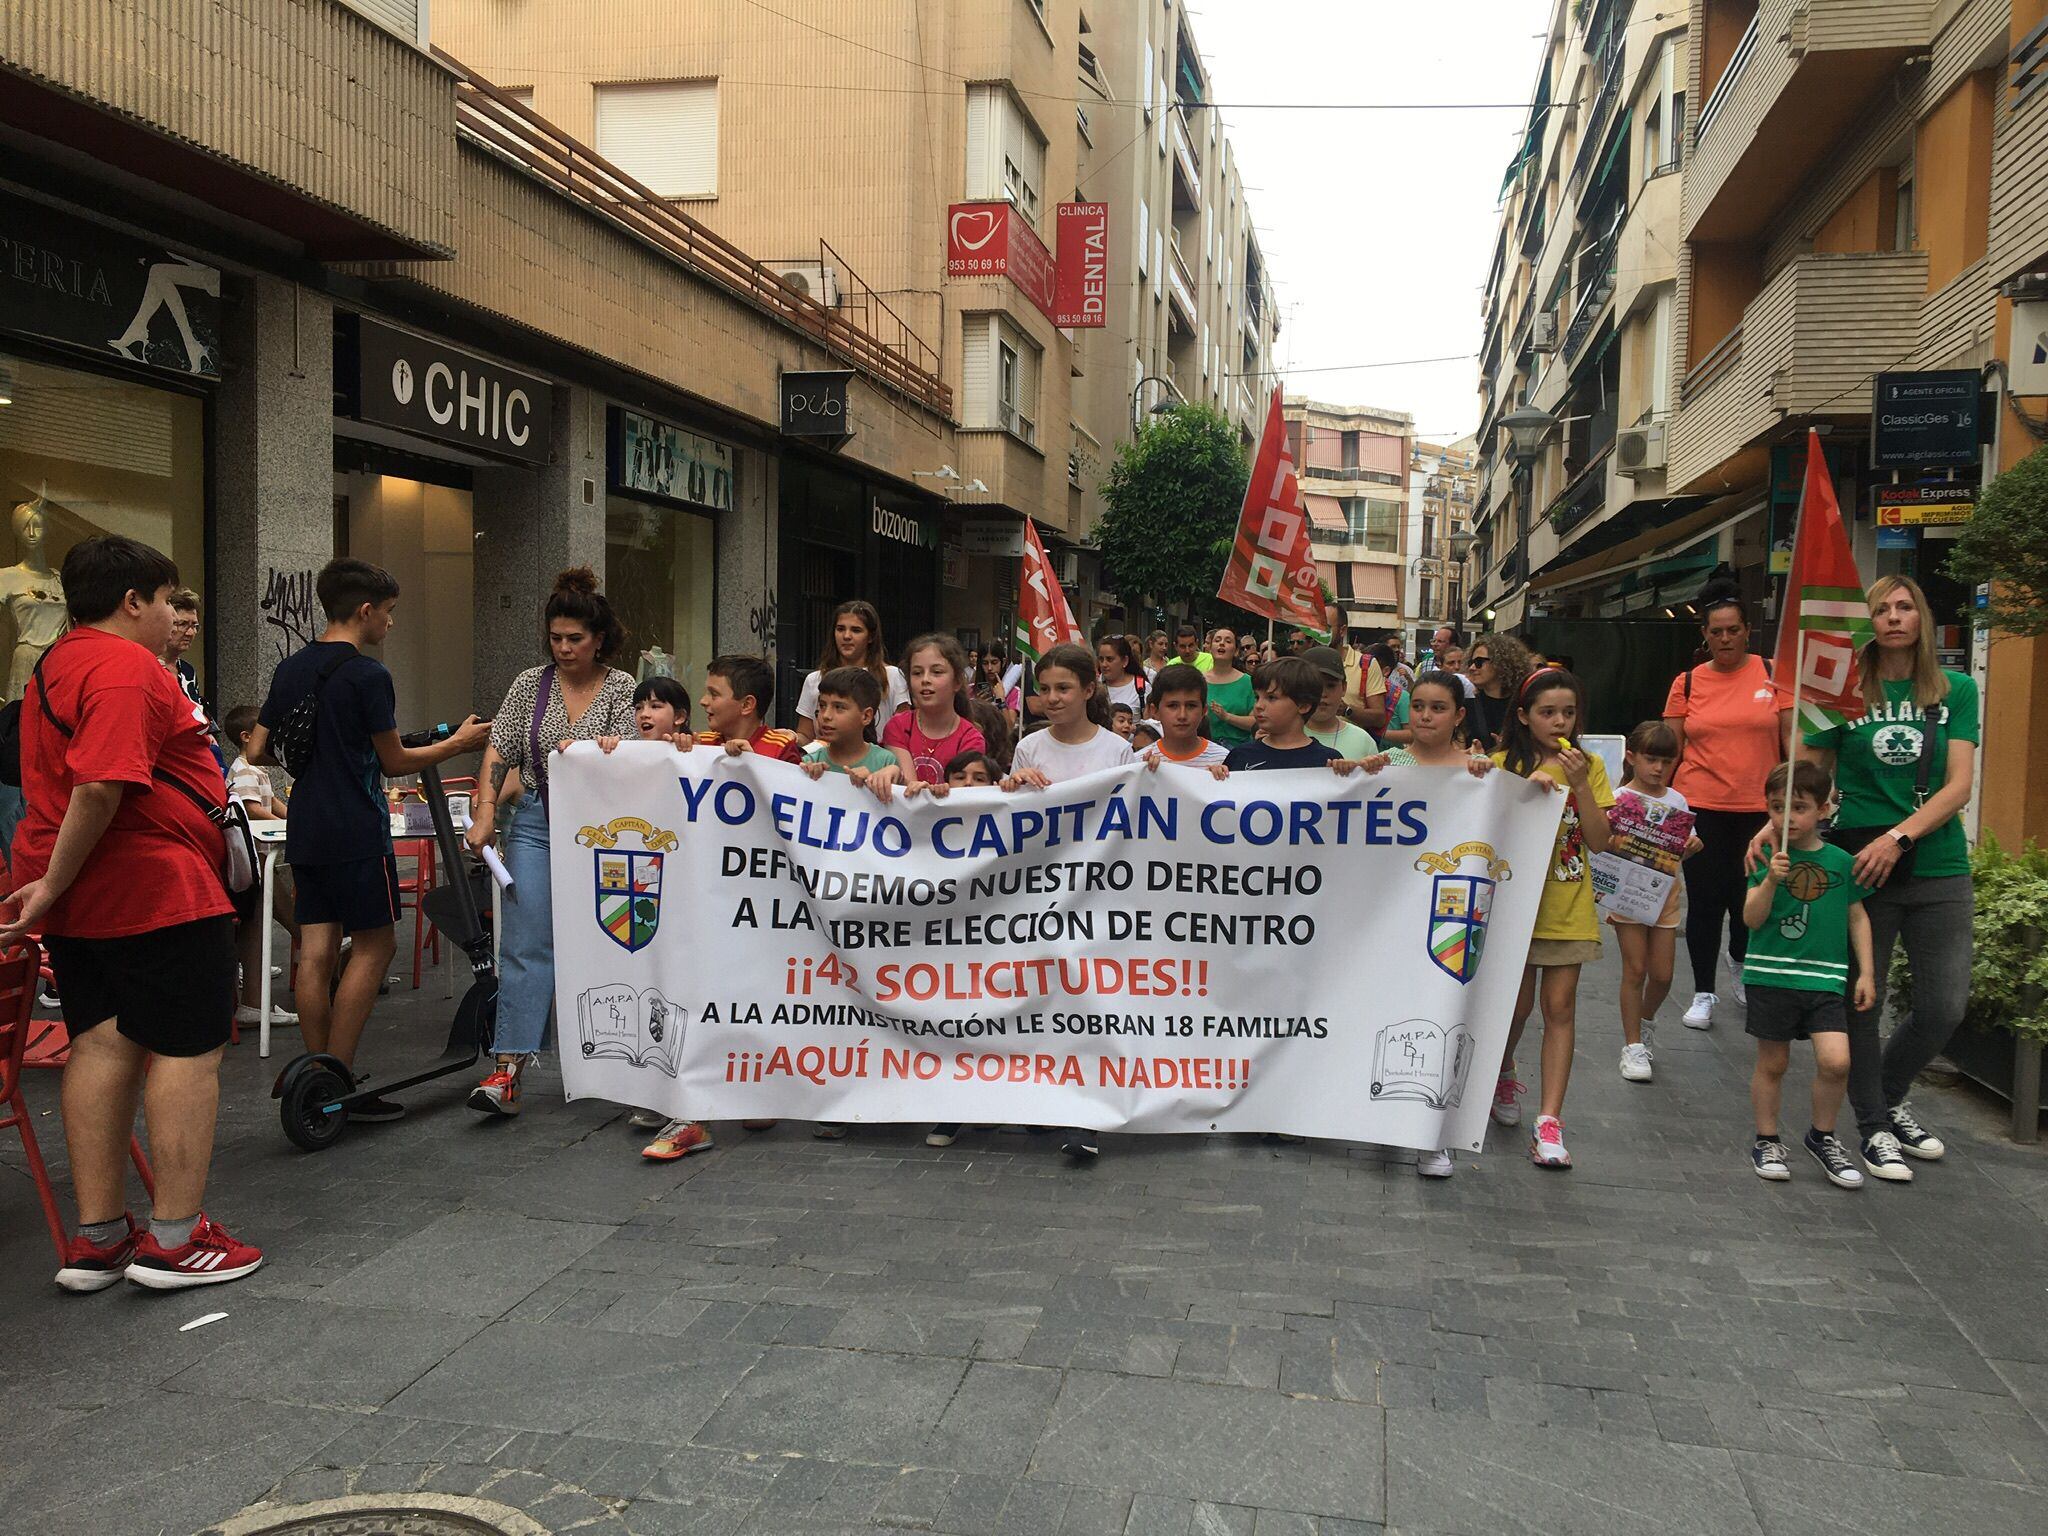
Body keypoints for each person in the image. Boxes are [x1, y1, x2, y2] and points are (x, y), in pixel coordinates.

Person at [4, 536, 263, 1291]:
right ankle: (176, 1242)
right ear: (133, 602)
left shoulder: (57, 661)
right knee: (188, 1051)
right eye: (167, 601)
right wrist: (51, 887)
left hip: (93, 893)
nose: (174, 616)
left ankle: (100, 1238)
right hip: (154, 889)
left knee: (102, 1043)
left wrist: (55, 884)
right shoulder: (121, 668)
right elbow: (100, 786)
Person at [250, 558, 491, 1116]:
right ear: (364, 611)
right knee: (377, 944)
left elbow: (257, 749)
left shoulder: (290, 668)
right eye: (389, 613)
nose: (391, 623)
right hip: (357, 827)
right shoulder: (368, 675)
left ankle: (316, 1073)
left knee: (316, 951)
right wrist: (458, 744)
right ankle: (338, 1079)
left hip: (306, 823)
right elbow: (393, 760)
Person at [1767, 575, 1979, 1184]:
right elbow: (1808, 770)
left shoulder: (1954, 690)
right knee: (1864, 997)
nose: (1893, 618)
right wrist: (1780, 816)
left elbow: (1959, 785)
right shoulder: (1843, 691)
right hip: (1858, 863)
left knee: (1944, 1006)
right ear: (1868, 622)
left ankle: (1887, 1093)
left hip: (1935, 863)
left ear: (1922, 618)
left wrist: (1899, 837)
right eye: (1881, 609)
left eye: (1904, 607)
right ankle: (1874, 1126)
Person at [464, 569, 637, 1119]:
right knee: (525, 939)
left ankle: (625, 1064)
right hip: (538, 821)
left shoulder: (624, 689)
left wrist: (610, 749)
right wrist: (487, 812)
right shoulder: (528, 684)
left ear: (600, 639)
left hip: (606, 829)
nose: (563, 649)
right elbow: (501, 750)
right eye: (556, 638)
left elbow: (643, 758)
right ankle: (507, 1068)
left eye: (575, 639)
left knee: (614, 940)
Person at [1359, 669, 1495, 1178]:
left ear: (1459, 716)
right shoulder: (1389, 762)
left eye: (1438, 708)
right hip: (1390, 912)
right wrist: (1357, 770)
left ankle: (1432, 1134)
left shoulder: (1478, 771)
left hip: (1445, 914)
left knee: (1440, 1014)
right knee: (1388, 1014)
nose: (1425, 716)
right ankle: (1385, 1117)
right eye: (1418, 706)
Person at [1002, 642, 1135, 1161]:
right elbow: (1008, 813)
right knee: (1044, 999)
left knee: (1088, 1001)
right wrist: (1013, 785)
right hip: (1040, 892)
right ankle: (1045, 1098)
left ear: (1089, 690)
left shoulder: (1115, 749)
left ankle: (1086, 1115)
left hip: (1096, 895)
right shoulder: (1030, 747)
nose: (1052, 699)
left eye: (1064, 688)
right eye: (1045, 689)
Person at [1491, 668, 1615, 1169]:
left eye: (1568, 712)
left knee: (1559, 1008)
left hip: (1568, 906)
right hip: (1513, 908)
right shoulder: (1501, 763)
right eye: (1547, 712)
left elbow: (1601, 838)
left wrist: (1580, 783)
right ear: (1523, 716)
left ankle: (1549, 1121)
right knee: (1516, 1008)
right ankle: (1502, 1071)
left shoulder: (1591, 764)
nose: (1559, 720)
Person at [1743, 760, 1874, 1188]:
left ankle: (1823, 1136)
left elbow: (1857, 917)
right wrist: (1769, 883)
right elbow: (1751, 918)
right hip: (1772, 974)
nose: (1787, 817)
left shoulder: (1841, 862)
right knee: (1774, 1062)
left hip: (1825, 978)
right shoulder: (1764, 856)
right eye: (1778, 807)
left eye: (1799, 807)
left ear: (1823, 809)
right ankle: (1766, 1138)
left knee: (1837, 1061)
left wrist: (1866, 973)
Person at [1663, 577, 1783, 1031]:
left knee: (1747, 899)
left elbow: (1791, 743)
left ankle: (1740, 962)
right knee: (1706, 903)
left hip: (1759, 811)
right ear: (1705, 635)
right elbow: (1669, 750)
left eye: (1733, 630)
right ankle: (1702, 991)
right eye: (1716, 632)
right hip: (1702, 809)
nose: (1725, 638)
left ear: (1747, 630)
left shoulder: (1774, 674)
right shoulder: (1688, 682)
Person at [1607, 721, 1701, 1085]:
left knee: (1662, 975)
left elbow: (1682, 849)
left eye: (1667, 761)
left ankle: (1645, 1020)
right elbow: (1604, 846)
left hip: (1665, 895)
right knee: (1635, 968)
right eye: (1651, 759)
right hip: (1629, 895)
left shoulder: (1676, 800)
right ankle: (1631, 1045)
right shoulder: (1619, 800)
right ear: (1631, 757)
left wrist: (1691, 846)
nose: (1658, 768)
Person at [222, 704, 298, 1030]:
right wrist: (287, 826)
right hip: (254, 859)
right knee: (276, 903)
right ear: (246, 737)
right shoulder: (242, 771)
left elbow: (277, 805)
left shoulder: (259, 771)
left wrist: (296, 819)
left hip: (264, 858)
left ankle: (312, 940)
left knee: (270, 908)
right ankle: (313, 940)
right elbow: (252, 809)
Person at [795, 599, 907, 745]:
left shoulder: (892, 676)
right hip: (825, 764)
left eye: (856, 630)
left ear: (871, 637)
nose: (846, 636)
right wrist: (789, 738)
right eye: (840, 629)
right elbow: (805, 735)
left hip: (879, 764)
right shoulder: (814, 679)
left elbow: (903, 735)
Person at [884, 633, 986, 785]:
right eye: (917, 673)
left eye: (937, 672)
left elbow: (962, 795)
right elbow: (908, 790)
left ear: (957, 681)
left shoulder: (971, 739)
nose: (925, 679)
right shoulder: (898, 726)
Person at [1215, 657, 1344, 773]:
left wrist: (1351, 772)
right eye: (1257, 697)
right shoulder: (1240, 755)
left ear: (1303, 706)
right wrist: (1214, 777)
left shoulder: (1328, 761)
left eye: (1271, 698)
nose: (1259, 705)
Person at [798, 666, 912, 795]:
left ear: (866, 716)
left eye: (839, 707)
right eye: (822, 706)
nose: (826, 715)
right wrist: (808, 777)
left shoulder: (885, 761)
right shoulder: (810, 761)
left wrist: (873, 781)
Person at [1142, 663, 1228, 768]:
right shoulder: (1139, 762)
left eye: (1191, 706)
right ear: (1155, 711)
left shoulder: (1224, 760)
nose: (1182, 715)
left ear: (1204, 711)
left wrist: (1218, 781)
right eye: (1172, 706)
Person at [1301, 646, 1377, 758]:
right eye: (1315, 685)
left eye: (1330, 686)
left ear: (1344, 688)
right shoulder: (1282, 736)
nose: (1323, 694)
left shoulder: (1363, 741)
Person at [1202, 628, 1256, 749]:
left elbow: (1256, 722)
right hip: (1206, 748)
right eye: (1217, 640)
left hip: (1239, 748)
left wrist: (1227, 717)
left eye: (1228, 641)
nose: (1222, 643)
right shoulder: (1198, 681)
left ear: (1236, 651)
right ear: (1210, 648)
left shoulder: (1248, 682)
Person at [1096, 635, 1146, 713]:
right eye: (1101, 659)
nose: (1104, 664)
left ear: (1125, 661)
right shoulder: (1093, 686)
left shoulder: (1141, 687)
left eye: (1110, 659)